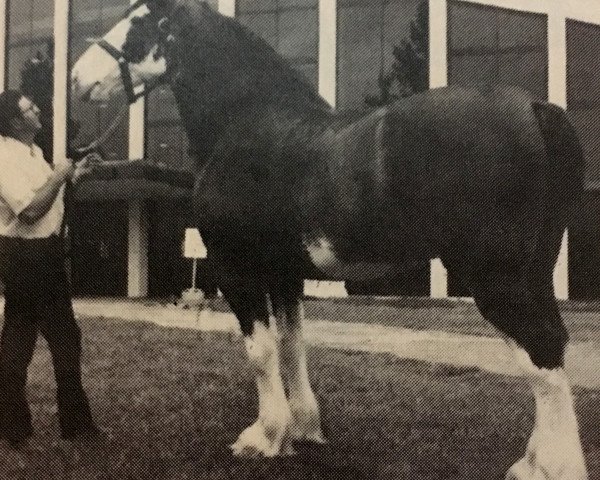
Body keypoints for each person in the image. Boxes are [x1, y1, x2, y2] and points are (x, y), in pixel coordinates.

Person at [0, 90, 100, 454]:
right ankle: (72, 424)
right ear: (14, 120)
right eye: (29, 108)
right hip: (26, 255)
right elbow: (28, 210)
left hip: (42, 254)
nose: (38, 109)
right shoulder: (2, 157)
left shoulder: (32, 152)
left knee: (25, 338)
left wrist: (74, 176)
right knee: (57, 339)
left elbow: (50, 192)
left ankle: (14, 424)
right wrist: (60, 175)